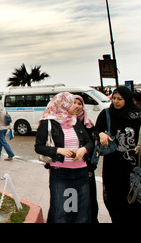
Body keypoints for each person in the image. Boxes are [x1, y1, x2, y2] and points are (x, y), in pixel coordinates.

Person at [35, 92, 93, 223]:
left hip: (81, 171)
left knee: (81, 211)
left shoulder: (75, 120)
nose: (75, 106)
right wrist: (58, 150)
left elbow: (89, 142)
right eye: (72, 103)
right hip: (60, 173)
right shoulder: (48, 121)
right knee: (61, 211)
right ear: (63, 104)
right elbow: (38, 147)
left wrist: (83, 150)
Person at [92, 86, 141, 223]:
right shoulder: (106, 114)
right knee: (114, 198)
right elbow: (95, 131)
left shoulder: (138, 115)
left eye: (120, 99)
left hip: (133, 166)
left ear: (127, 99)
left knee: (134, 197)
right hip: (113, 165)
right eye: (114, 98)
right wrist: (101, 134)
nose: (116, 102)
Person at [73, 95, 99, 223]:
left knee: (89, 197)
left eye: (80, 103)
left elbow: (92, 146)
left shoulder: (88, 125)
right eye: (74, 103)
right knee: (72, 197)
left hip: (86, 167)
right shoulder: (65, 124)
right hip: (70, 168)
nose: (77, 106)